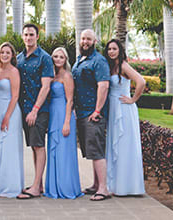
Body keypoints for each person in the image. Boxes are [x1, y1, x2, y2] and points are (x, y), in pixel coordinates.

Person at [15, 23, 55, 199]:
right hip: (24, 110)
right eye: (26, 35)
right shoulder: (19, 58)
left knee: (39, 146)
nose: (29, 37)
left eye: (32, 34)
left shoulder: (44, 58)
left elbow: (46, 86)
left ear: (37, 37)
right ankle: (37, 185)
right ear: (22, 37)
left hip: (38, 110)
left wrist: (35, 110)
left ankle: (37, 186)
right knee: (33, 145)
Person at [104, 38, 147, 196]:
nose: (111, 52)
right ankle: (115, 184)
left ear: (120, 51)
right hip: (113, 108)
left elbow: (141, 81)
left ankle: (128, 186)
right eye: (109, 49)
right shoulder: (110, 67)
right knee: (115, 146)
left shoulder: (123, 66)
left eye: (114, 49)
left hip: (124, 108)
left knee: (125, 146)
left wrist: (133, 99)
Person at [73, 29, 111, 201]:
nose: (85, 41)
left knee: (96, 151)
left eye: (88, 39)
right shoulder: (80, 60)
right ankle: (95, 184)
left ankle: (103, 188)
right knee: (90, 150)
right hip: (81, 112)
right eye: (83, 38)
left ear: (95, 41)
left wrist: (97, 110)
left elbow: (103, 86)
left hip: (92, 113)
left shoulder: (99, 61)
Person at [44, 47, 82, 199]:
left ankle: (66, 187)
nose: (58, 59)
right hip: (53, 114)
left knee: (64, 152)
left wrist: (67, 122)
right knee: (53, 152)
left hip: (64, 115)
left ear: (65, 59)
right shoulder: (51, 75)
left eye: (61, 57)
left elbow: (70, 100)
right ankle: (53, 187)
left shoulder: (67, 76)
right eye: (55, 56)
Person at [0, 42, 24, 198]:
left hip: (10, 110)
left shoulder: (14, 71)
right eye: (2, 52)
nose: (4, 55)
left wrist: (7, 116)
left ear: (12, 55)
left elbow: (15, 96)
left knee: (9, 148)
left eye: (8, 53)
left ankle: (10, 185)